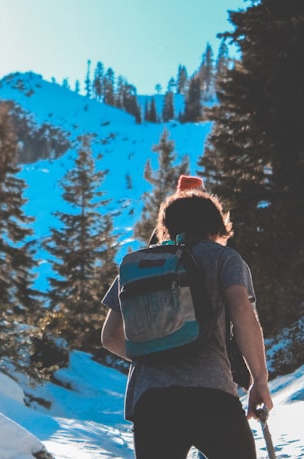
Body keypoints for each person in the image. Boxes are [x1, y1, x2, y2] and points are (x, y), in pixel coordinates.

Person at [101, 176, 273, 459]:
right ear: (217, 224)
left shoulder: (139, 263)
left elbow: (109, 338)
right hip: (211, 393)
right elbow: (243, 314)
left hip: (151, 401)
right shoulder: (223, 258)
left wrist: (155, 354)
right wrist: (259, 380)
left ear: (166, 227)